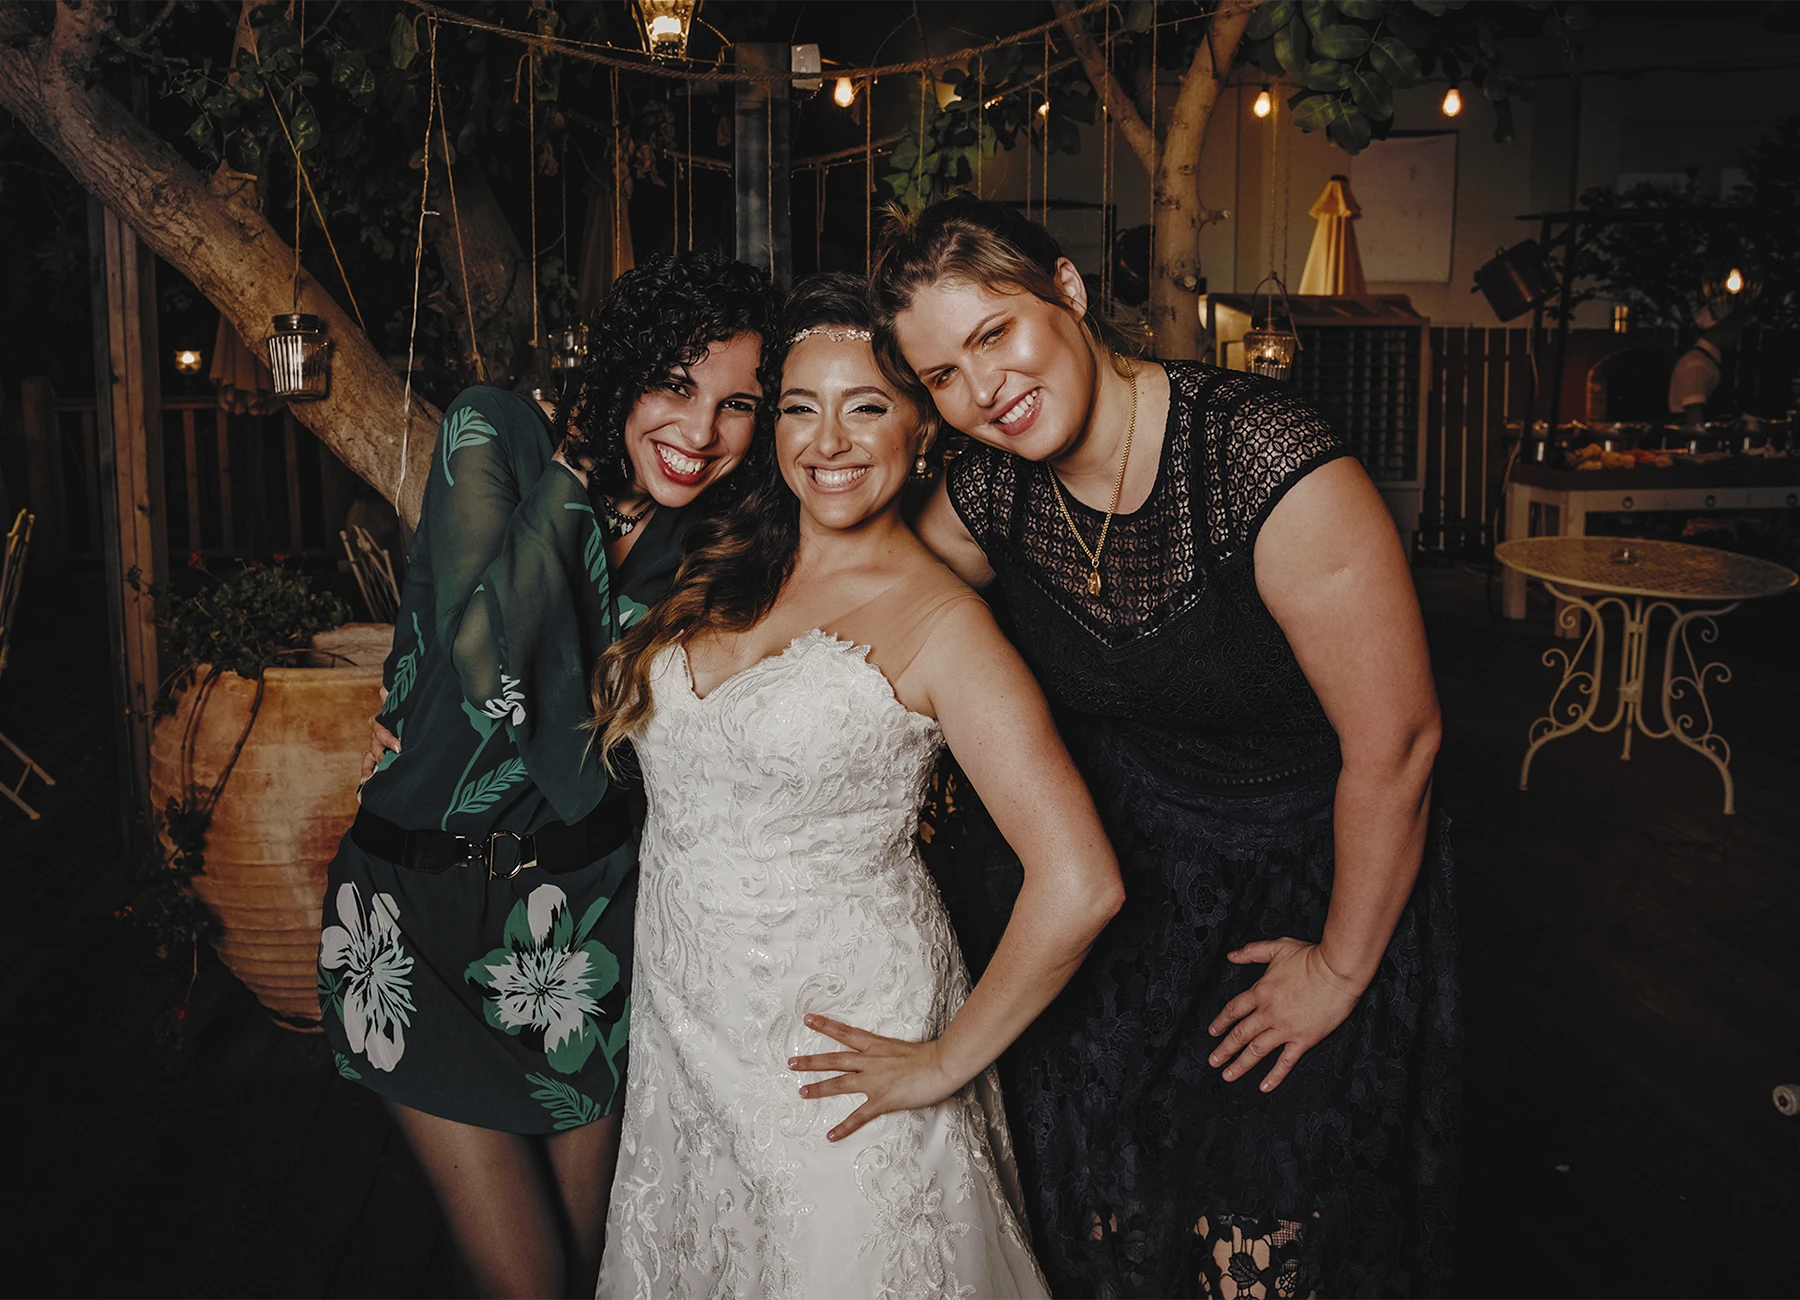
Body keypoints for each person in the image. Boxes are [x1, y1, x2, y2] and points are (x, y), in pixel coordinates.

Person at [873, 196, 1459, 1299]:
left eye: (994, 333)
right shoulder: (990, 490)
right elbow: (873, 605)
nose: (981, 389)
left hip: (1307, 890)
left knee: (1262, 1243)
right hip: (1123, 903)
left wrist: (1338, 968)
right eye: (941, 376)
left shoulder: (1264, 463)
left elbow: (1402, 742)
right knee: (1106, 1217)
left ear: (1069, 291)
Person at [591, 274, 1124, 1298]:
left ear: (923, 427)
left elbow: (1082, 880)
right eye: (800, 406)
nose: (828, 440)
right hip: (687, 1042)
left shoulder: (943, 624)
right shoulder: (729, 556)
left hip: (837, 1054)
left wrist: (939, 1065)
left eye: (867, 405)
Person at [317, 251, 780, 1300]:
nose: (700, 431)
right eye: (673, 384)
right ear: (622, 372)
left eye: (737, 403)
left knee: (594, 1273)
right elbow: (487, 662)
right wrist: (572, 469)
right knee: (529, 1285)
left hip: (579, 927)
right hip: (412, 915)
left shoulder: (720, 535)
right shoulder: (499, 433)